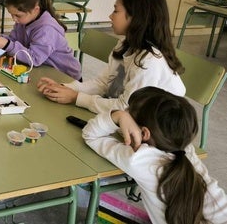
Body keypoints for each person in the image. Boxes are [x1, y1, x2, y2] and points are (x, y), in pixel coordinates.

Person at [82, 87, 227, 224]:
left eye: (128, 114)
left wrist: (118, 116)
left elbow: (90, 135)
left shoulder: (139, 159)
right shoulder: (186, 151)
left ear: (144, 133)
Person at [37, 0, 185, 113]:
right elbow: (103, 83)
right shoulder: (125, 44)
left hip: (155, 128)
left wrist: (77, 98)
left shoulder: (149, 61)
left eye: (116, 11)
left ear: (136, 18)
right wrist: (65, 88)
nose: (110, 16)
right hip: (124, 117)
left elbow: (126, 108)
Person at [0, 0, 81, 80]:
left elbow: (35, 59)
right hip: (44, 70)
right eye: (11, 14)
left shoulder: (46, 29)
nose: (14, 19)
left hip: (66, 77)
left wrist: (7, 44)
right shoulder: (24, 21)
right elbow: (14, 41)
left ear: (36, 10)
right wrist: (0, 38)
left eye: (18, 15)